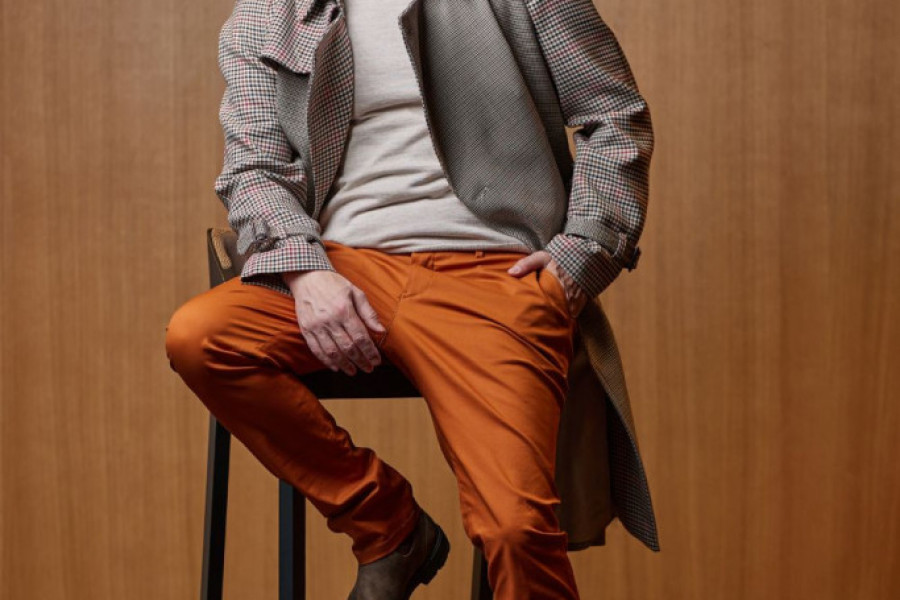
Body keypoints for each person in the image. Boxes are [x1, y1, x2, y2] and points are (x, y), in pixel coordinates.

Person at [165, 0, 653, 598]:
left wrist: (581, 255)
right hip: (343, 268)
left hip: (491, 274)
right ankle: (389, 525)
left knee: (515, 530)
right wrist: (304, 270)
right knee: (201, 337)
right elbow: (253, 169)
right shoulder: (268, 14)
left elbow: (614, 113)